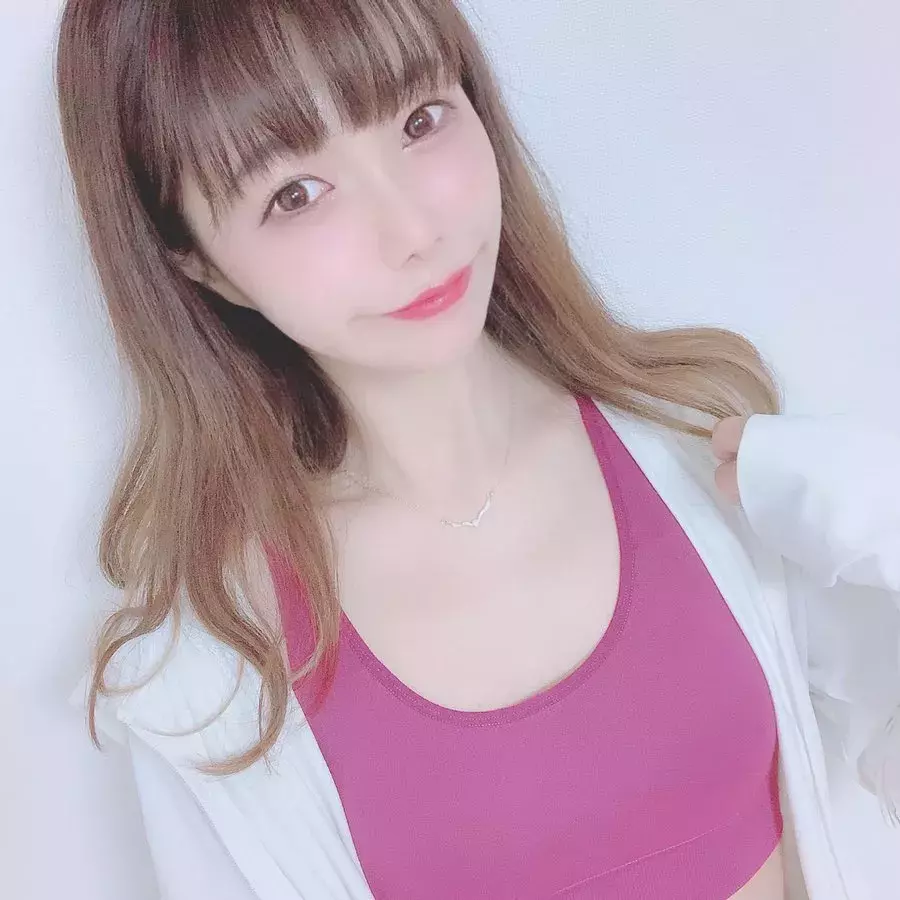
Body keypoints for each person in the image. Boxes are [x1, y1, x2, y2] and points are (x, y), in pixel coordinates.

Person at [54, 1, 899, 898]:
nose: (413, 231)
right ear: (197, 261)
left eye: (420, 119)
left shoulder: (708, 452)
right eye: (295, 194)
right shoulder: (213, 680)